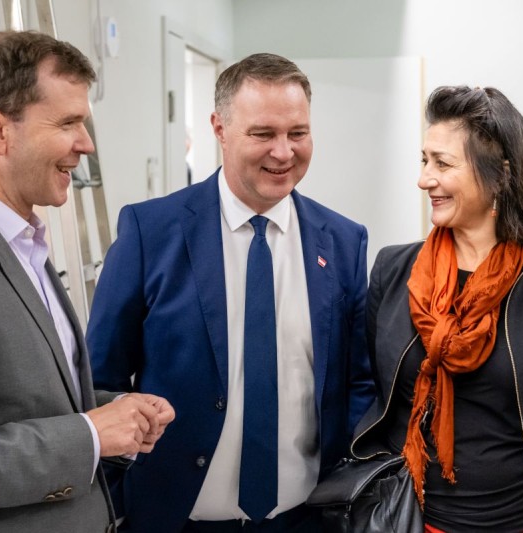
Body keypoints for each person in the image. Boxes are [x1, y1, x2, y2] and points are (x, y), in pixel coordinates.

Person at [86, 52, 374, 532]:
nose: (283, 152)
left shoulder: (343, 241)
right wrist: (118, 505)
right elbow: (101, 381)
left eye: (297, 133)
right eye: (263, 134)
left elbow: (359, 382)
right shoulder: (150, 232)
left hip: (304, 519)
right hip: (176, 519)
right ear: (219, 129)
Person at [0, 31, 175, 532]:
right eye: (68, 122)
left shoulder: (24, 244)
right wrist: (88, 435)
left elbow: (21, 404)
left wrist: (115, 414)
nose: (86, 143)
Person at [350, 85, 523, 532]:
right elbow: (379, 393)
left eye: (443, 164)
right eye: (424, 160)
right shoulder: (394, 272)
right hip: (414, 520)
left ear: (499, 176)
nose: (424, 179)